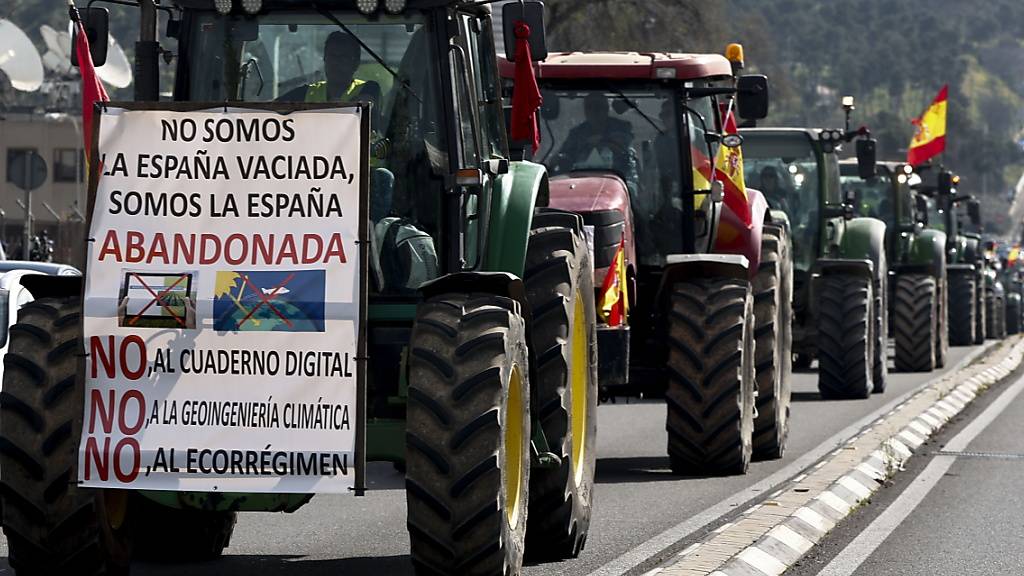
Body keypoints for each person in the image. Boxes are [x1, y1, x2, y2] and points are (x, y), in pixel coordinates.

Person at [281, 31, 381, 105]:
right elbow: (270, 108)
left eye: (343, 57)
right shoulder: (307, 93)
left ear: (356, 64)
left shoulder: (368, 88)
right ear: (325, 59)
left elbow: (368, 102)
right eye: (332, 56)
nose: (336, 62)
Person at [557, 92, 636, 180]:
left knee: (631, 187)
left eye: (598, 107)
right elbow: (566, 155)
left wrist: (604, 142)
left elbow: (624, 147)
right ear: (585, 111)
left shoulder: (622, 127)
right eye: (589, 107)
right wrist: (559, 158)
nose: (594, 111)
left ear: (607, 109)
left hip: (621, 177)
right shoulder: (576, 133)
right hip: (581, 179)